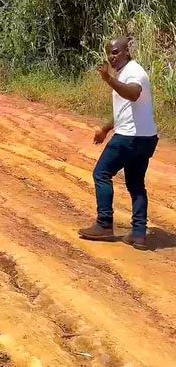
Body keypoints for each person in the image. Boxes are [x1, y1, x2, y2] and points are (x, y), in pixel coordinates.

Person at [78, 36, 159, 250]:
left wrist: (109, 80)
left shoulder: (134, 72)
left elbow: (133, 94)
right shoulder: (127, 72)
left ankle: (104, 224)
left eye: (115, 52)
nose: (111, 57)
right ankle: (139, 234)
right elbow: (126, 109)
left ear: (126, 52)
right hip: (146, 138)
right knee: (135, 183)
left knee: (101, 173)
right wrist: (105, 128)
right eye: (109, 53)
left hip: (130, 138)